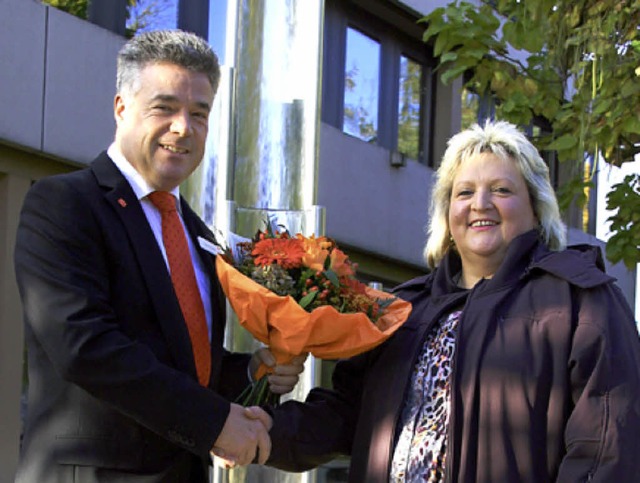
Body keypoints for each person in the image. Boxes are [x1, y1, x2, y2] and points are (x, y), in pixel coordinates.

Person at [253, 121, 640, 482]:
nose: (480, 204)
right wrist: (263, 431)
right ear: (447, 211)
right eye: (465, 192)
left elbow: (607, 448)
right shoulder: (400, 309)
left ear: (537, 209)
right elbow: (344, 415)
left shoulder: (581, 300)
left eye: (502, 190)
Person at [13, 29, 305, 483]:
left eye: (199, 113)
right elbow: (84, 347)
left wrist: (252, 369)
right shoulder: (64, 204)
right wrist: (214, 423)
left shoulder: (197, 234)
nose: (183, 127)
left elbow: (184, 364)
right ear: (121, 108)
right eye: (164, 107)